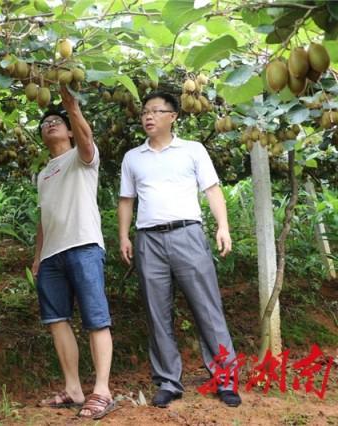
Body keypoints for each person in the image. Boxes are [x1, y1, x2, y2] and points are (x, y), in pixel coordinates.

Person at [118, 91, 242, 408]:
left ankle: (225, 380)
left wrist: (223, 226)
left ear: (173, 116)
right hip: (149, 240)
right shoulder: (133, 157)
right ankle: (169, 382)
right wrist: (124, 236)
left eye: (156, 111)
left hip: (188, 233)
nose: (148, 116)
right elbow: (127, 200)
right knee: (157, 312)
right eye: (145, 111)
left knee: (207, 308)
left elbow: (212, 190)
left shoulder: (193, 150)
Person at [31, 85, 115, 420]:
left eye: (56, 121)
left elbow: (87, 140)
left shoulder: (82, 157)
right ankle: (73, 388)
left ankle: (103, 390)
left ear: (69, 130)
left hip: (83, 245)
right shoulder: (43, 174)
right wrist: (38, 256)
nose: (49, 124)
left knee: (96, 318)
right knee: (57, 321)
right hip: (51, 255)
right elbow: (43, 217)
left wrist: (73, 109)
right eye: (44, 123)